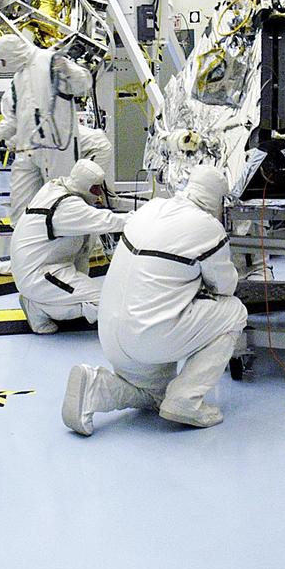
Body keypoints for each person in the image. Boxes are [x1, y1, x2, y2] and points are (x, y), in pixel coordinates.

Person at [61, 163, 248, 435]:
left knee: (153, 396)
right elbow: (225, 287)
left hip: (110, 331)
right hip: (148, 336)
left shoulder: (150, 208)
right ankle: (186, 398)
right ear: (218, 200)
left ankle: (96, 389)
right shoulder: (208, 228)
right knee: (234, 312)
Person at [0, 32, 112, 226]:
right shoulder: (17, 81)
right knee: (20, 205)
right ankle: (24, 246)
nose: (4, 66)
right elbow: (12, 122)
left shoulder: (50, 61)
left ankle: (71, 249)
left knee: (62, 203)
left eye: (4, 61)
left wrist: (68, 70)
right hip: (28, 151)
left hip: (57, 149)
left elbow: (84, 82)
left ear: (14, 53)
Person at [9, 159, 127, 333]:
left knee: (91, 294)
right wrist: (149, 218)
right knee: (104, 304)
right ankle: (37, 307)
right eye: (94, 188)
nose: (99, 193)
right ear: (83, 185)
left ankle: (47, 300)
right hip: (40, 275)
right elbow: (108, 221)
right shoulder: (67, 206)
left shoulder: (57, 188)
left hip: (44, 268)